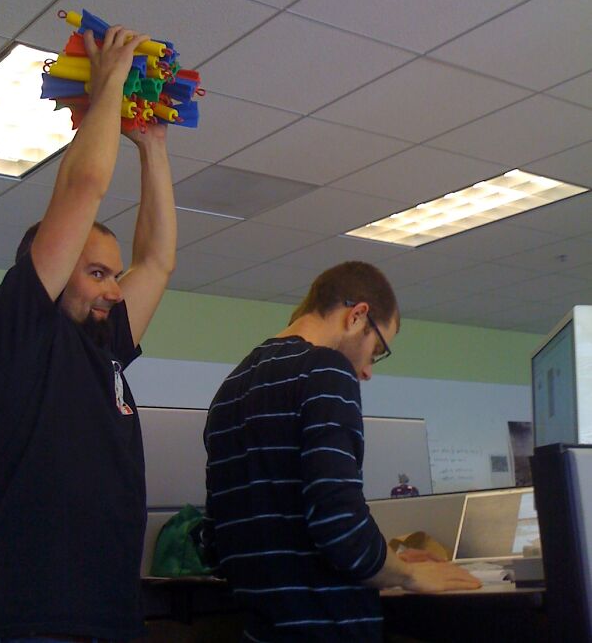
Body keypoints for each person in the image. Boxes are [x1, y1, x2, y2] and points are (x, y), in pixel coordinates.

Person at [0, 24, 177, 643]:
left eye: (114, 275)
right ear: (52, 277)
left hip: (109, 619)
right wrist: (108, 85)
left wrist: (152, 147)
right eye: (97, 273)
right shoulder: (23, 336)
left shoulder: (103, 349)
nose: (115, 288)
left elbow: (158, 260)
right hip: (32, 624)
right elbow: (84, 186)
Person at [203, 261, 480, 642]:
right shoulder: (325, 370)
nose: (368, 371)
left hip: (261, 628)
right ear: (358, 315)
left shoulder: (231, 388)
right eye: (378, 348)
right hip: (325, 628)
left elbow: (223, 538)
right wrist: (410, 574)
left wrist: (388, 561)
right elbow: (337, 525)